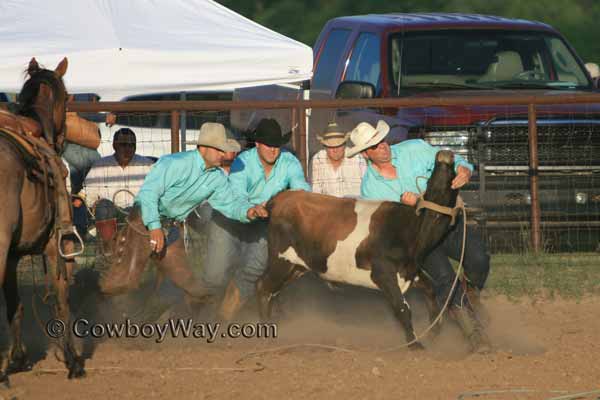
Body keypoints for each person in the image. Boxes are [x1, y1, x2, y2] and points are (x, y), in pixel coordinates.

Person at [347, 120, 491, 352]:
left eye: (381, 140)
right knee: (445, 278)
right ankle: (474, 333)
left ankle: (470, 294)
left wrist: (464, 169)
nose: (382, 146)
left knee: (479, 258)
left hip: (448, 224)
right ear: (365, 155)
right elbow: (390, 229)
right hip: (419, 239)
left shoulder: (413, 149)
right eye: (374, 146)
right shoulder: (371, 190)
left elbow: (449, 158)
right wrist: (411, 209)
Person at [202, 118, 310, 320]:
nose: (273, 150)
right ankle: (198, 311)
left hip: (264, 223)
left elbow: (300, 188)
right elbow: (236, 195)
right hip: (230, 219)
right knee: (215, 275)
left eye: (277, 145)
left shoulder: (289, 161)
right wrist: (252, 208)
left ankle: (224, 316)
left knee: (255, 267)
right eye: (268, 145)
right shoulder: (243, 162)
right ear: (258, 144)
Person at [83, 128, 154, 256]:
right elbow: (89, 191)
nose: (128, 149)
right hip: (111, 212)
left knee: (144, 207)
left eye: (132, 145)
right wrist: (95, 203)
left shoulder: (147, 165)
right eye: (123, 145)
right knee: (103, 206)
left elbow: (156, 191)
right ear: (114, 146)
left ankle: (141, 252)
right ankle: (108, 252)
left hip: (137, 213)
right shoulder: (100, 165)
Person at [310, 121, 366, 197]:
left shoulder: (357, 158)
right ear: (325, 147)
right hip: (328, 206)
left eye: (338, 146)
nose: (335, 150)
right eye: (330, 147)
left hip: (353, 206)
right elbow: (316, 191)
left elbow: (366, 189)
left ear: (344, 145)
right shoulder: (318, 158)